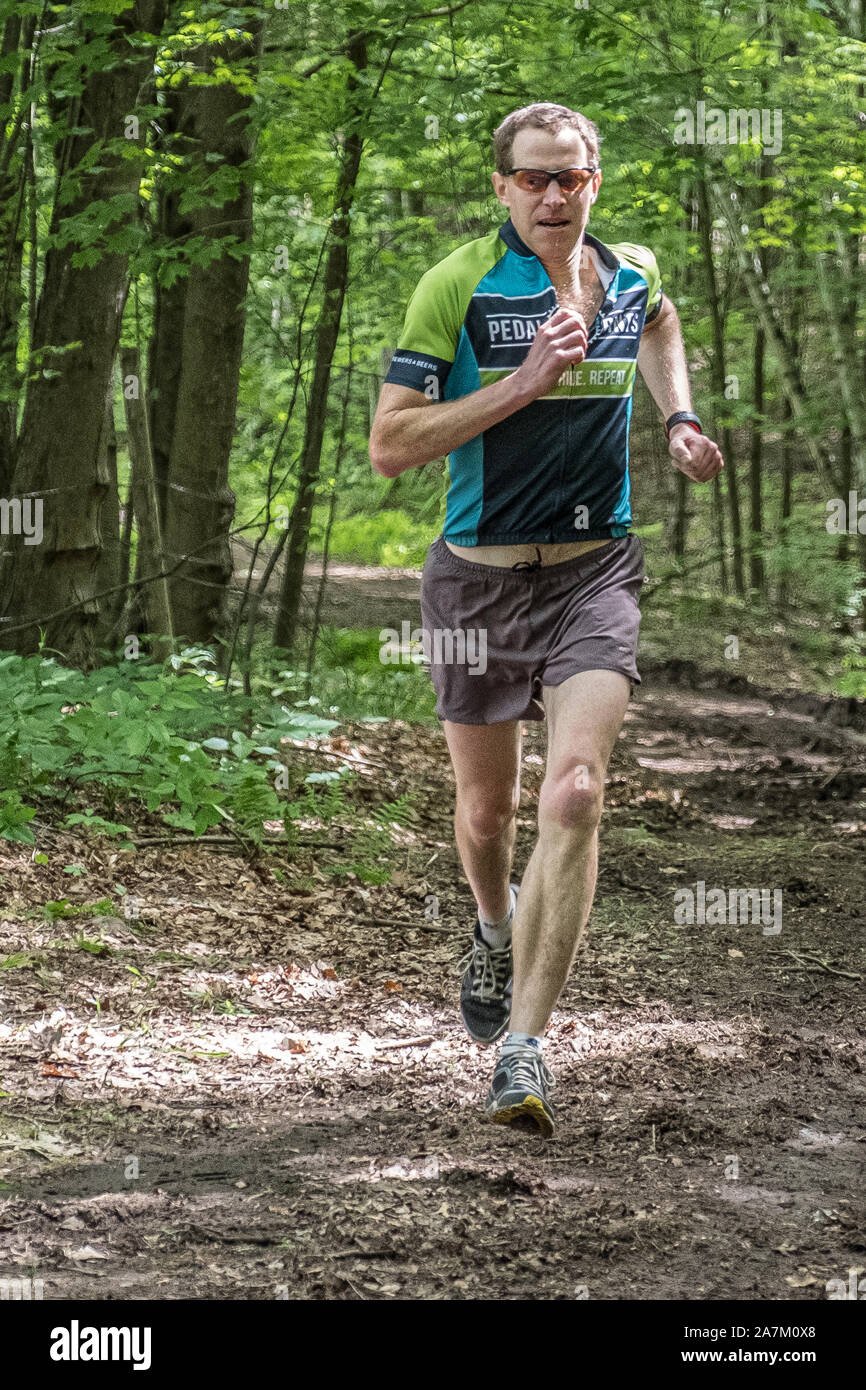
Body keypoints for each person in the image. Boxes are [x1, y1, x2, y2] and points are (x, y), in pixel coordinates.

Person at [369, 102, 723, 1137]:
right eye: (533, 178)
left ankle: (523, 1048)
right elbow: (390, 446)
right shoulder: (459, 285)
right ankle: (493, 924)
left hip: (593, 575)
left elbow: (660, 322)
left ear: (594, 181)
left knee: (573, 793)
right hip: (476, 584)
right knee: (487, 816)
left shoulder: (630, 274)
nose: (553, 196)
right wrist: (525, 383)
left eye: (570, 177)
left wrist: (679, 417)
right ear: (502, 188)